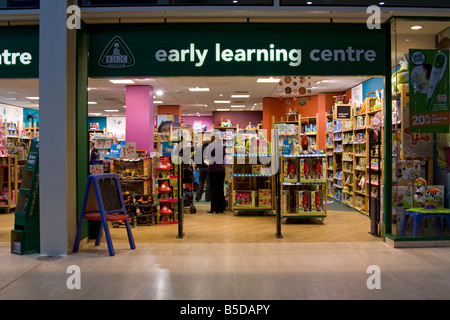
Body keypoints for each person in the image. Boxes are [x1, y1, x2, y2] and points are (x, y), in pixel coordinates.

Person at [205, 135, 226, 213]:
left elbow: (209, 158)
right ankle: (221, 208)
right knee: (220, 188)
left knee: (213, 189)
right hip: (221, 170)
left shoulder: (210, 146)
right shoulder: (222, 147)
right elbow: (223, 156)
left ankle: (214, 208)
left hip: (213, 169)